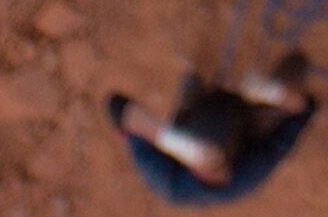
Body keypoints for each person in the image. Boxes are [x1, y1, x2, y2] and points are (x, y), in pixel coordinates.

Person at [106, 54, 314, 206]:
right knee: (297, 66)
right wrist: (266, 91)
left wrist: (166, 138)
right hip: (247, 125)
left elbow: (118, 108)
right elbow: (303, 109)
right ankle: (207, 97)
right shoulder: (251, 170)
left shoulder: (163, 176)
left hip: (194, 121)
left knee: (193, 88)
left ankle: (195, 97)